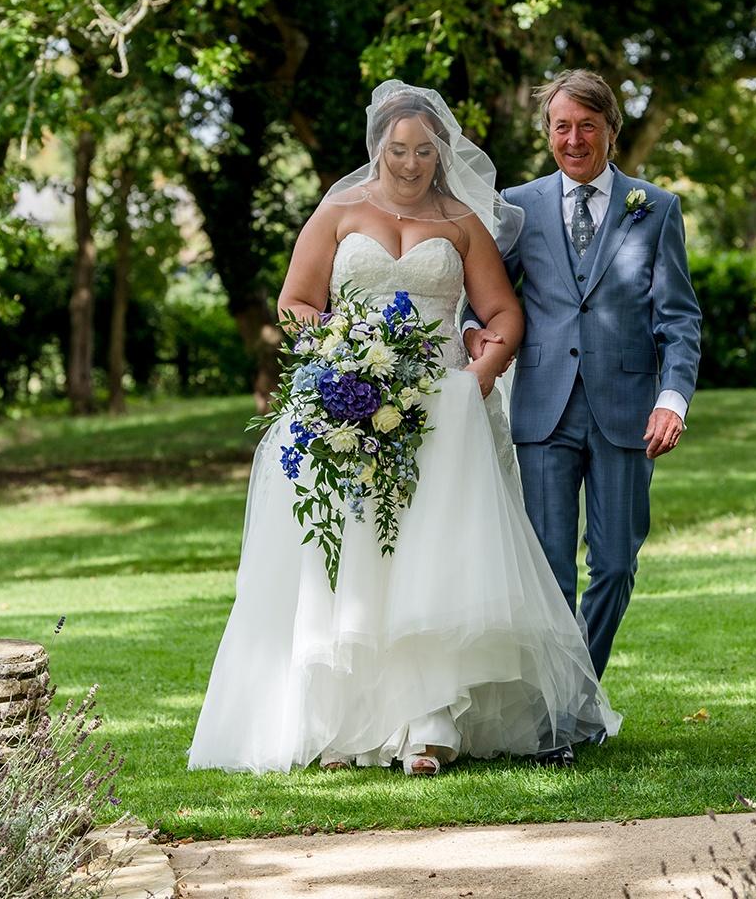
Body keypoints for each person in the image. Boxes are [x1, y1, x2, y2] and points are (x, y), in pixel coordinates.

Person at [189, 81, 619, 777]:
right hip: (346, 405)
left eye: (424, 150)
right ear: (378, 149)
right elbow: (297, 301)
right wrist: (338, 353)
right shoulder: (338, 211)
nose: (412, 163)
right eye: (399, 150)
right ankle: (348, 725)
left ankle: (431, 721)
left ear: (440, 154)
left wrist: (481, 373)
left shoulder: (460, 223)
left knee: (433, 560)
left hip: (443, 412)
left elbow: (504, 313)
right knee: (355, 559)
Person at [467, 69, 701, 764]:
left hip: (628, 411)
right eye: (561, 127)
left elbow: (680, 319)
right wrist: (476, 333)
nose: (573, 139)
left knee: (617, 563)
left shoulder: (653, 209)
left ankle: (574, 696)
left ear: (610, 130)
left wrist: (672, 397)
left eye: (586, 126)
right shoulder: (517, 207)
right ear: (548, 133)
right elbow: (486, 297)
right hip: (541, 410)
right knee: (547, 570)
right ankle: (554, 719)